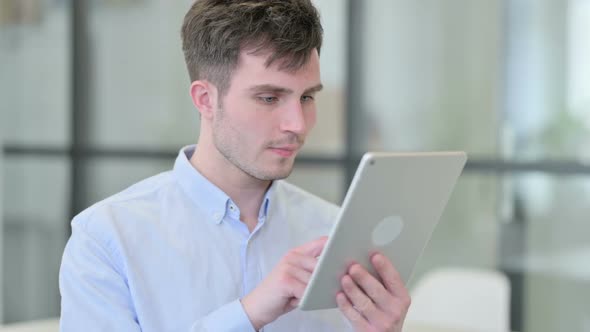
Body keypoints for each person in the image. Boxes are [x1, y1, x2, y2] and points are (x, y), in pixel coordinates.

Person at [59, 0, 411, 331]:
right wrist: (249, 314)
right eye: (269, 98)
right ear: (205, 99)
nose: (298, 125)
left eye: (306, 97)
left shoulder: (334, 232)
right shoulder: (106, 240)